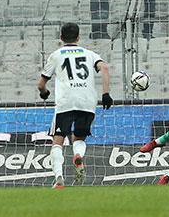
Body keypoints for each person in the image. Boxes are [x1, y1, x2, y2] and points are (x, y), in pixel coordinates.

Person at [38, 23, 113, 188]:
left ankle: (59, 178)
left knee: (58, 141)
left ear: (61, 38)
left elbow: (41, 83)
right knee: (78, 138)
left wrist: (44, 93)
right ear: (78, 37)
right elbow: (105, 68)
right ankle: (78, 154)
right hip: (87, 102)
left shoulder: (56, 55)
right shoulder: (90, 54)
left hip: (65, 102)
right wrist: (106, 94)